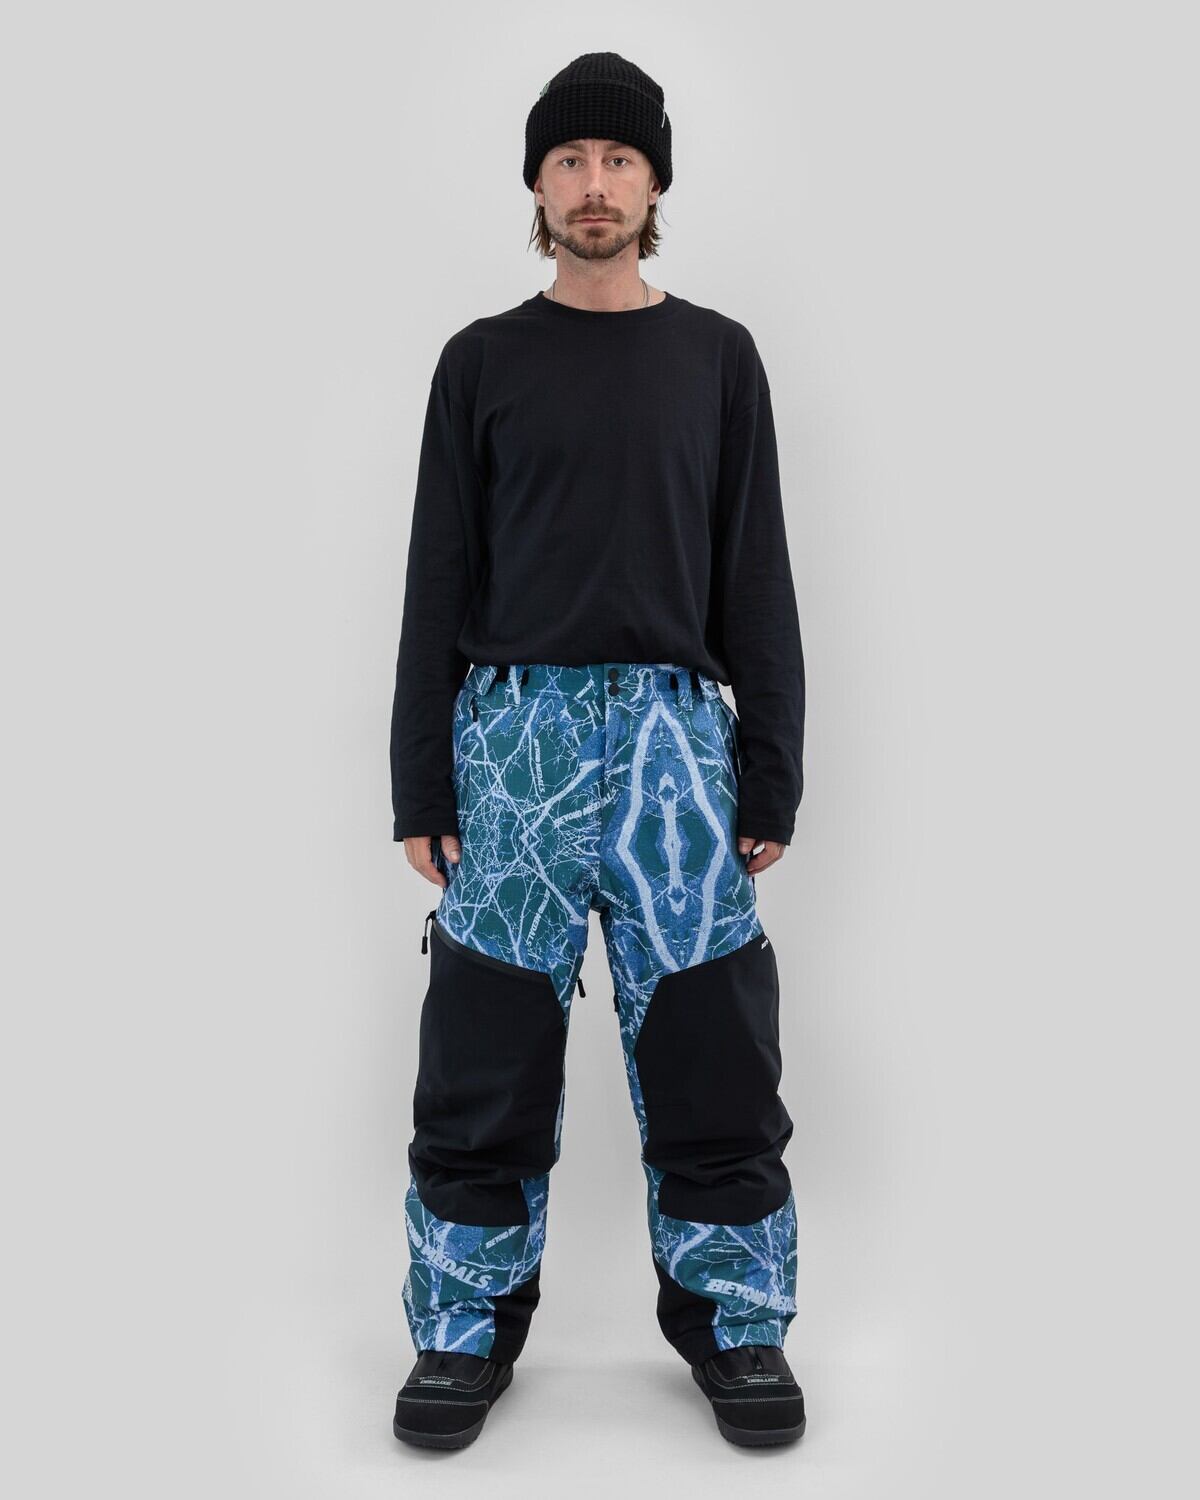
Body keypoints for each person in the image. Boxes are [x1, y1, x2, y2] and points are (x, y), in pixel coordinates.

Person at [388, 51, 807, 1451]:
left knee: (714, 1049)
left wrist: (773, 764)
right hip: (512, 742)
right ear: (536, 184)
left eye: (618, 159)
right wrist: (420, 776)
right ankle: (461, 1328)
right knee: (484, 1050)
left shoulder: (718, 359)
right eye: (568, 159)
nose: (594, 184)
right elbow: (437, 579)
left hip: (682, 750)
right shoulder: (481, 362)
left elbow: (757, 575)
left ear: (655, 183)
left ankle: (738, 1324)